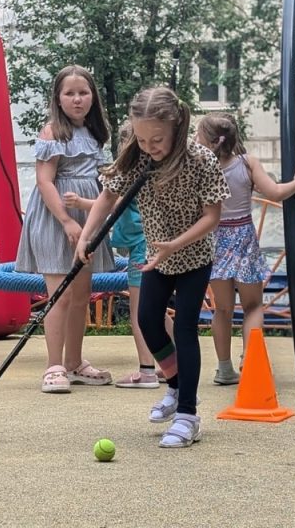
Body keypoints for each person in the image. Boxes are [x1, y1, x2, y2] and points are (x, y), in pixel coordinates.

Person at [77, 86, 230, 448]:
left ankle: (188, 415)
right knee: (147, 320)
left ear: (177, 127)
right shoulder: (136, 159)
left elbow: (213, 216)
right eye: (142, 139)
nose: (149, 146)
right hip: (155, 255)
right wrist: (86, 235)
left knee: (187, 328)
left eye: (156, 139)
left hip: (193, 255)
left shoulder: (200, 160)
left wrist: (176, 244)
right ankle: (176, 389)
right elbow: (107, 197)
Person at [14, 64, 117, 394]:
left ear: (92, 97)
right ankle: (53, 366)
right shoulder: (52, 132)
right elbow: (45, 182)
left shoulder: (93, 131)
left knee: (82, 294)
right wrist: (67, 220)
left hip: (87, 218)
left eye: (83, 93)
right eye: (70, 93)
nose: (77, 99)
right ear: (58, 99)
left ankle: (74, 362)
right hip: (57, 218)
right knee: (61, 293)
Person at [195, 112, 295, 385]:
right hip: (243, 237)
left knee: (222, 309)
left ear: (208, 142)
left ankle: (223, 368)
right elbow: (275, 193)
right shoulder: (247, 163)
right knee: (253, 305)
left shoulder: (199, 168)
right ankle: (250, 359)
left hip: (214, 239)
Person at [64, 121, 174, 390]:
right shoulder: (155, 170)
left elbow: (111, 200)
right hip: (156, 244)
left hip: (141, 248)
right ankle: (174, 362)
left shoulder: (132, 170)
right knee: (158, 311)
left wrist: (80, 204)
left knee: (140, 313)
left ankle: (147, 370)